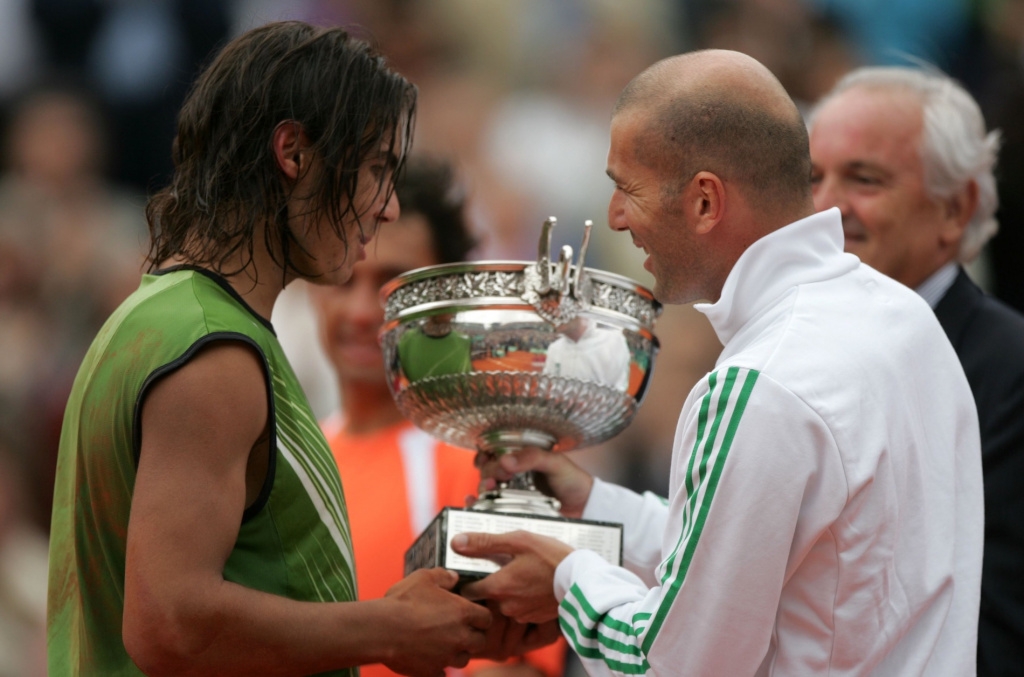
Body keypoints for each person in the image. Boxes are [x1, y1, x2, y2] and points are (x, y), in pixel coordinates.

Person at [449, 49, 984, 675]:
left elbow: (674, 663)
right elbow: (762, 570)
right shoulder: (905, 317)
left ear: (705, 201)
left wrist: (570, 578)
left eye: (627, 188)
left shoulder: (757, 384)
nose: (617, 217)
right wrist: (596, 504)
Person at [46, 21, 552, 677]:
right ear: (294, 153)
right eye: (376, 169)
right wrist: (384, 629)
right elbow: (170, 623)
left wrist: (402, 624)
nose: (389, 207)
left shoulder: (167, 319)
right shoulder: (211, 350)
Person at [311, 157, 566, 677]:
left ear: (447, 305)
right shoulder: (302, 453)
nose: (361, 312)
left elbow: (520, 669)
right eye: (344, 279)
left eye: (392, 286)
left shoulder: (487, 459)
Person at [807, 66, 1024, 676]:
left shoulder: (1011, 376)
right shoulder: (783, 354)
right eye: (812, 178)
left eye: (864, 179)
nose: (823, 209)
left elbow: (995, 628)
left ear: (955, 210)